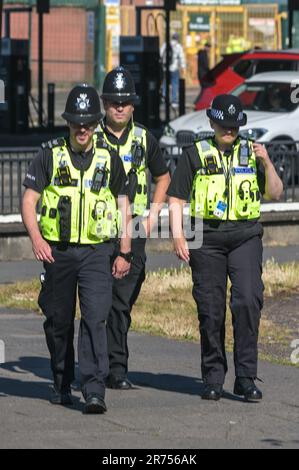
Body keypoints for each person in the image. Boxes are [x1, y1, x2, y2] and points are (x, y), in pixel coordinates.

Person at [22, 83, 132, 414]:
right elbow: (29, 201)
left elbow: (123, 205)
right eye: (75, 122)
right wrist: (37, 238)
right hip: (58, 251)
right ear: (67, 123)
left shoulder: (110, 159)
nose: (81, 129)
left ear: (96, 123)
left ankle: (94, 389)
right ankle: (61, 381)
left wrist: (125, 251)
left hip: (98, 252)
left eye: (87, 123)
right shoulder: (49, 155)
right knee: (58, 321)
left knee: (95, 317)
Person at [168, 94, 283, 401]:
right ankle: (213, 378)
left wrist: (267, 162)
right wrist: (179, 236)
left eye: (234, 126)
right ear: (212, 123)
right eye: (224, 125)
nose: (229, 131)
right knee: (211, 309)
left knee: (247, 301)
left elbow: (275, 192)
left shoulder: (251, 152)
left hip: (245, 236)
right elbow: (177, 199)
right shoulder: (194, 154)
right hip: (206, 238)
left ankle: (245, 377)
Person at [98, 66, 171, 389]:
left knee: (121, 304)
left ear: (133, 106)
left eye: (125, 102)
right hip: (97, 230)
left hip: (136, 229)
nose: (119, 107)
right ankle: (104, 369)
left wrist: (154, 215)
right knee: (99, 302)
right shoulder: (89, 135)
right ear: (103, 103)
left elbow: (163, 177)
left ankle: (115, 368)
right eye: (113, 101)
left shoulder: (144, 138)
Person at [160, 32, 186, 107]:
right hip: (174, 68)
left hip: (165, 68)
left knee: (165, 83)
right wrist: (183, 67)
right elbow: (181, 57)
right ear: (177, 38)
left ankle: (164, 98)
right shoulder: (178, 46)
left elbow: (161, 54)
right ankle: (174, 101)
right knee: (175, 84)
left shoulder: (166, 44)